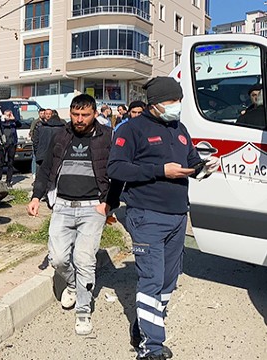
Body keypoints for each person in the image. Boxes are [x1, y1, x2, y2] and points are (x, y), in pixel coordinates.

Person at [108, 77, 220, 360]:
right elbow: (117, 168)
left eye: (179, 100)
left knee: (168, 281)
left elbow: (190, 162)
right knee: (151, 280)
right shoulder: (132, 129)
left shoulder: (180, 129)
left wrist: (203, 168)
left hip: (178, 216)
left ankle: (142, 328)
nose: (177, 106)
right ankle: (151, 349)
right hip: (147, 215)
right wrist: (160, 171)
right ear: (155, 104)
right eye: (172, 102)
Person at [27, 94, 121, 336]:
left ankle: (83, 311)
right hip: (62, 206)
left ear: (95, 114)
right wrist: (36, 196)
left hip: (93, 208)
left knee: (84, 259)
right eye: (75, 114)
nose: (79, 120)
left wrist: (108, 204)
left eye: (85, 115)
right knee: (57, 258)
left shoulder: (107, 137)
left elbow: (119, 172)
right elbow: (46, 168)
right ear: (70, 113)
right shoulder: (60, 135)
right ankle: (71, 283)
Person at [0, 109, 21, 187]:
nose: (8, 116)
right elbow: (1, 125)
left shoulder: (13, 122)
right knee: (1, 163)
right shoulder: (1, 122)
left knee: (11, 163)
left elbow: (19, 124)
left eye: (9, 114)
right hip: (3, 144)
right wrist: (5, 119)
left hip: (12, 143)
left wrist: (14, 119)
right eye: (7, 115)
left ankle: (8, 181)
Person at [29, 108, 47, 180]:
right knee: (34, 158)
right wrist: (34, 140)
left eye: (44, 113)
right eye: (41, 113)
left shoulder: (46, 122)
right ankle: (34, 173)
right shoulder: (35, 122)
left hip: (43, 143)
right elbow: (31, 132)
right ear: (39, 113)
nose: (42, 115)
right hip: (36, 143)